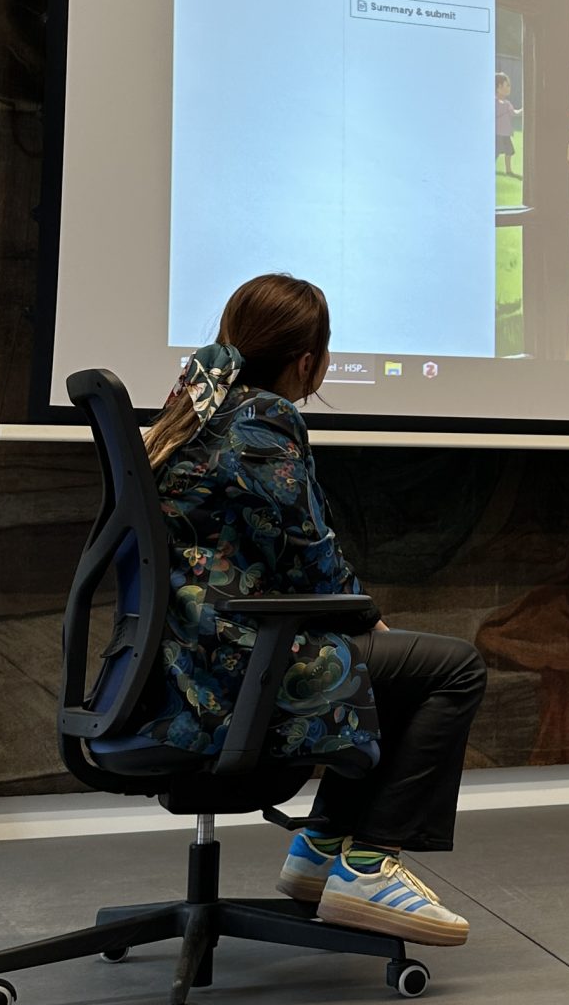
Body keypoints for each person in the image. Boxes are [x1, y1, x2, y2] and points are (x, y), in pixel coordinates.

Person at [141, 274, 483, 943]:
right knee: (453, 668)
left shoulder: (194, 412)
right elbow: (310, 554)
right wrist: (371, 620)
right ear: (308, 361)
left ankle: (321, 850)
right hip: (237, 671)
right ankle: (368, 864)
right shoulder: (262, 419)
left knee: (397, 665)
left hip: (186, 666)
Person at [493, 70, 521, 177]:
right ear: (499, 87)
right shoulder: (494, 102)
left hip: (506, 134)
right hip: (497, 133)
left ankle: (508, 170)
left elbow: (514, 113)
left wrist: (523, 110)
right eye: (507, 85)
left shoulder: (507, 103)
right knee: (495, 152)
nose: (509, 88)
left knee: (509, 152)